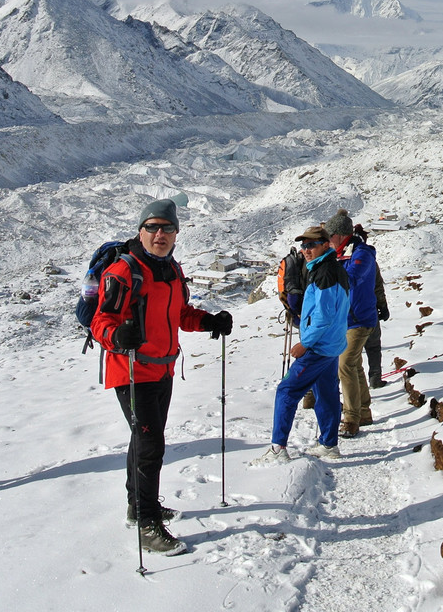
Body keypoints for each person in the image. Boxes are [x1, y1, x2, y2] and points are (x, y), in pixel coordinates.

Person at [90, 199, 233, 556]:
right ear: (140, 231)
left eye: (167, 228)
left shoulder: (171, 269)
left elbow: (179, 314)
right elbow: (100, 322)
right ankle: (148, 524)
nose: (160, 234)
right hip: (132, 371)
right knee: (150, 444)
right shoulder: (124, 272)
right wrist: (118, 336)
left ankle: (138, 507)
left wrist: (209, 321)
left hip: (163, 368)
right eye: (153, 227)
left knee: (144, 441)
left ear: (176, 233)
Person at [255, 225, 349, 463]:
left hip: (318, 347)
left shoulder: (325, 273)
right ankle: (329, 444)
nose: (306, 250)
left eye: (312, 245)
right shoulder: (329, 268)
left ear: (326, 245)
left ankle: (278, 449)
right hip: (331, 345)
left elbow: (324, 315)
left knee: (287, 390)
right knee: (326, 393)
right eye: (304, 246)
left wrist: (305, 343)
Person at [327, 209, 378, 438]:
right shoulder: (339, 253)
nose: (327, 240)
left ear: (339, 234)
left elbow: (352, 279)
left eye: (329, 235)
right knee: (354, 365)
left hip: (360, 319)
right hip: (346, 320)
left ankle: (351, 418)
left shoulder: (361, 253)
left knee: (344, 364)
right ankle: (364, 411)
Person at [354, 224, 391, 390]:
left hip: (350, 313)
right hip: (370, 310)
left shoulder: (343, 259)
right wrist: (383, 307)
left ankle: (358, 382)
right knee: (374, 346)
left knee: (353, 351)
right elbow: (378, 287)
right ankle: (375, 378)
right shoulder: (369, 259)